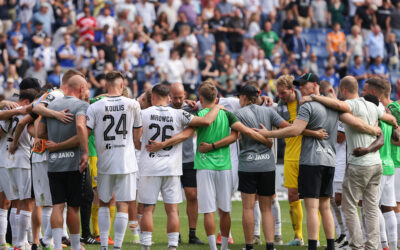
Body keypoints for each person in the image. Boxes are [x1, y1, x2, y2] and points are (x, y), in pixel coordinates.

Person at [255, 74, 383, 250]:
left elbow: (294, 130)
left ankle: (313, 246)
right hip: (329, 160)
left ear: (314, 85)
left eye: (303, 85)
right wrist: (373, 129)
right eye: (298, 85)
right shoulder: (334, 107)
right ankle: (331, 245)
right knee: (325, 206)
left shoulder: (307, 106)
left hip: (312, 160)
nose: (300, 88)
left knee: (312, 207)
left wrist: (267, 134)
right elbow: (355, 122)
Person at [301, 76, 397, 250]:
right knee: (371, 207)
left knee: (349, 205)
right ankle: (372, 246)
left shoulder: (353, 105)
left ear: (344, 91)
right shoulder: (372, 105)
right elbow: (387, 118)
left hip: (359, 163)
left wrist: (314, 97)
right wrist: (394, 123)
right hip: (377, 165)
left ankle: (356, 246)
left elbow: (339, 106)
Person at [138, 83, 224, 250]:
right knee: (172, 210)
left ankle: (146, 246)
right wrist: (218, 106)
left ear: (153, 97)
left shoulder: (143, 113)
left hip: (150, 166)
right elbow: (206, 121)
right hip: (171, 167)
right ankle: (172, 246)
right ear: (168, 97)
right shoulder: (179, 114)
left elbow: (136, 139)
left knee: (148, 209)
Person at [86, 71, 142, 250]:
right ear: (122, 85)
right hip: (126, 161)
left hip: (104, 161)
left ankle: (104, 245)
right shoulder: (133, 104)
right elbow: (137, 135)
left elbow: (86, 132)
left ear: (105, 85)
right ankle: (117, 246)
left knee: (103, 203)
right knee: (123, 204)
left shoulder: (95, 106)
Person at [37, 73, 89, 250]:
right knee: (73, 207)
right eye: (86, 88)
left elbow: (40, 132)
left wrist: (54, 138)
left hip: (54, 163)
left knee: (57, 206)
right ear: (81, 89)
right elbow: (81, 126)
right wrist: (86, 152)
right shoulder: (82, 105)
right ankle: (75, 246)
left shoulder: (52, 105)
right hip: (74, 163)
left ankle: (57, 246)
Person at [0, 89, 38, 250]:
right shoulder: (30, 113)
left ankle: (6, 242)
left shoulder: (7, 111)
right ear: (27, 102)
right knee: (24, 202)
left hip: (4, 160)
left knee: (10, 202)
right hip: (22, 160)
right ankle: (20, 243)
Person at [168, 83, 203, 244]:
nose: (177, 100)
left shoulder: (192, 108)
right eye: (174, 97)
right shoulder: (164, 109)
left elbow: (211, 103)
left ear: (185, 95)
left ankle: (192, 233)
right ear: (169, 95)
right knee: (173, 198)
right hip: (171, 160)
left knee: (192, 195)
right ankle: (176, 233)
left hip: (188, 159)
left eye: (180, 97)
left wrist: (189, 102)